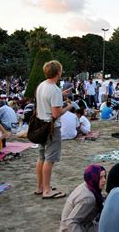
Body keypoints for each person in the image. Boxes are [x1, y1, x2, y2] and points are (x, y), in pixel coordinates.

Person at [35, 60, 73, 199]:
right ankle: (47, 190)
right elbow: (56, 114)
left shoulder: (42, 86)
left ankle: (40, 187)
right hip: (51, 128)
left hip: (40, 125)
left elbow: (46, 100)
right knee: (49, 159)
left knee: (41, 157)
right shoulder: (54, 89)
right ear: (58, 72)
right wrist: (68, 107)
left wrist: (60, 95)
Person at [60, 165, 106, 231]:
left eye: (104, 176)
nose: (104, 180)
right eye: (100, 177)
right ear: (94, 178)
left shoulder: (87, 185)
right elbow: (71, 222)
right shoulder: (88, 198)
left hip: (81, 223)